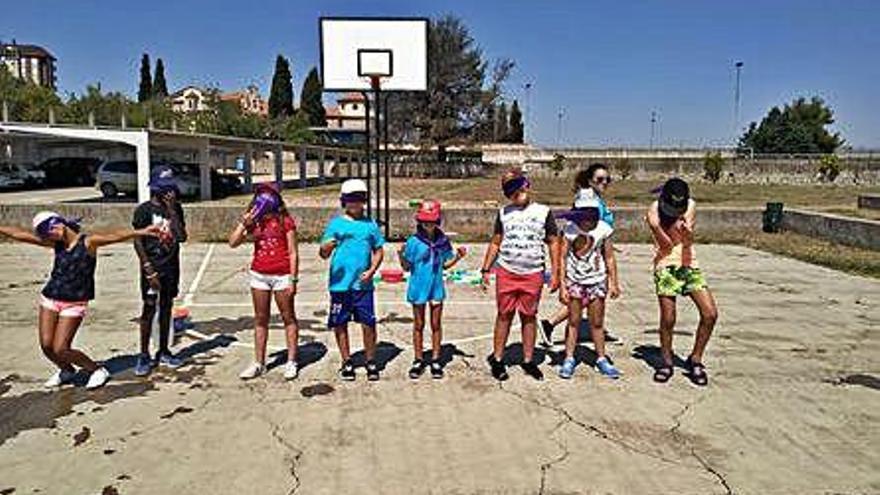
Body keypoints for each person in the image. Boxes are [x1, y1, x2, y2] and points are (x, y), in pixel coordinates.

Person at [0, 212, 159, 389]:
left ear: (59, 222)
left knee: (61, 348)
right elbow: (20, 235)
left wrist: (141, 232)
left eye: (51, 227)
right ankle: (66, 370)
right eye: (46, 232)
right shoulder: (56, 244)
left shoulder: (88, 242)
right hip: (51, 297)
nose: (51, 233)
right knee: (46, 346)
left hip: (74, 302)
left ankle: (97, 370)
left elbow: (114, 236)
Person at [480, 169, 560, 381]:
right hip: (507, 271)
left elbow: (553, 242)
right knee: (504, 315)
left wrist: (556, 273)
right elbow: (496, 241)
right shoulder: (504, 213)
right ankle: (497, 359)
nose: (516, 192)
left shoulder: (543, 212)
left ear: (527, 184)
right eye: (509, 189)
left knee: (529, 316)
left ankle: (528, 359)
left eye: (519, 185)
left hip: (533, 272)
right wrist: (486, 268)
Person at [646, 178, 719, 386]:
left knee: (710, 313)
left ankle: (695, 359)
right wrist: (656, 228)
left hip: (689, 263)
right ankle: (666, 362)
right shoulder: (654, 210)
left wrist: (688, 235)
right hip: (665, 263)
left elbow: (686, 242)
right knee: (668, 318)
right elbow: (667, 247)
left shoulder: (690, 205)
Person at [540, 162, 620, 346]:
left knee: (589, 298)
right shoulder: (587, 200)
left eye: (608, 179)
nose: (605, 182)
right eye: (600, 179)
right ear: (589, 181)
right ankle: (549, 324)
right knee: (584, 296)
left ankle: (553, 325)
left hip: (598, 252)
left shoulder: (597, 200)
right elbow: (576, 230)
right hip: (587, 256)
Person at [228, 183, 301, 380]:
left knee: (288, 317)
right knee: (261, 319)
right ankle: (259, 363)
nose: (264, 199)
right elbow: (233, 242)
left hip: (282, 276)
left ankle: (292, 360)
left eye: (269, 195)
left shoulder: (286, 221)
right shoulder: (255, 222)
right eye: (261, 195)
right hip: (259, 275)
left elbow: (293, 252)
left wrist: (293, 279)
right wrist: (244, 223)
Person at [319, 179, 385, 381]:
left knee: (368, 323)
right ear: (343, 201)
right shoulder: (335, 225)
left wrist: (372, 270)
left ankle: (370, 360)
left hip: (363, 285)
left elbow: (378, 250)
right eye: (351, 200)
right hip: (340, 285)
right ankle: (346, 360)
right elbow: (323, 253)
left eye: (359, 199)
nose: (355, 204)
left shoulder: (370, 225)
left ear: (364, 201)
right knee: (340, 323)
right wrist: (327, 247)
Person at [398, 200, 466, 380]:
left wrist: (458, 257)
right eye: (425, 222)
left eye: (432, 221)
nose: (429, 225)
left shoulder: (443, 241)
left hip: (436, 287)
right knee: (418, 324)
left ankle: (436, 359)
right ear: (419, 221)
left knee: (436, 324)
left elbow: (445, 264)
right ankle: (418, 359)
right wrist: (400, 254)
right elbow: (406, 267)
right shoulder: (413, 242)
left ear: (438, 222)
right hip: (418, 287)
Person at [556, 190, 621, 379]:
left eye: (591, 215)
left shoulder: (602, 229)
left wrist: (614, 282)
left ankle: (601, 358)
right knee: (574, 321)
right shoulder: (569, 229)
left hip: (597, 281)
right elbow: (562, 258)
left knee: (597, 322)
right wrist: (562, 285)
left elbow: (609, 257)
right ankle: (569, 358)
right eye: (583, 216)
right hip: (575, 282)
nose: (587, 221)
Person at [132, 165, 188, 377]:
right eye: (165, 189)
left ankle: (164, 349)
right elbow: (137, 240)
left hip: (171, 267)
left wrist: (173, 210)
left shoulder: (176, 209)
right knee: (148, 310)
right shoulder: (144, 210)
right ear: (155, 188)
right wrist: (148, 269)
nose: (169, 192)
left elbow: (182, 237)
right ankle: (144, 354)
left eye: (171, 188)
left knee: (166, 308)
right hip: (152, 268)